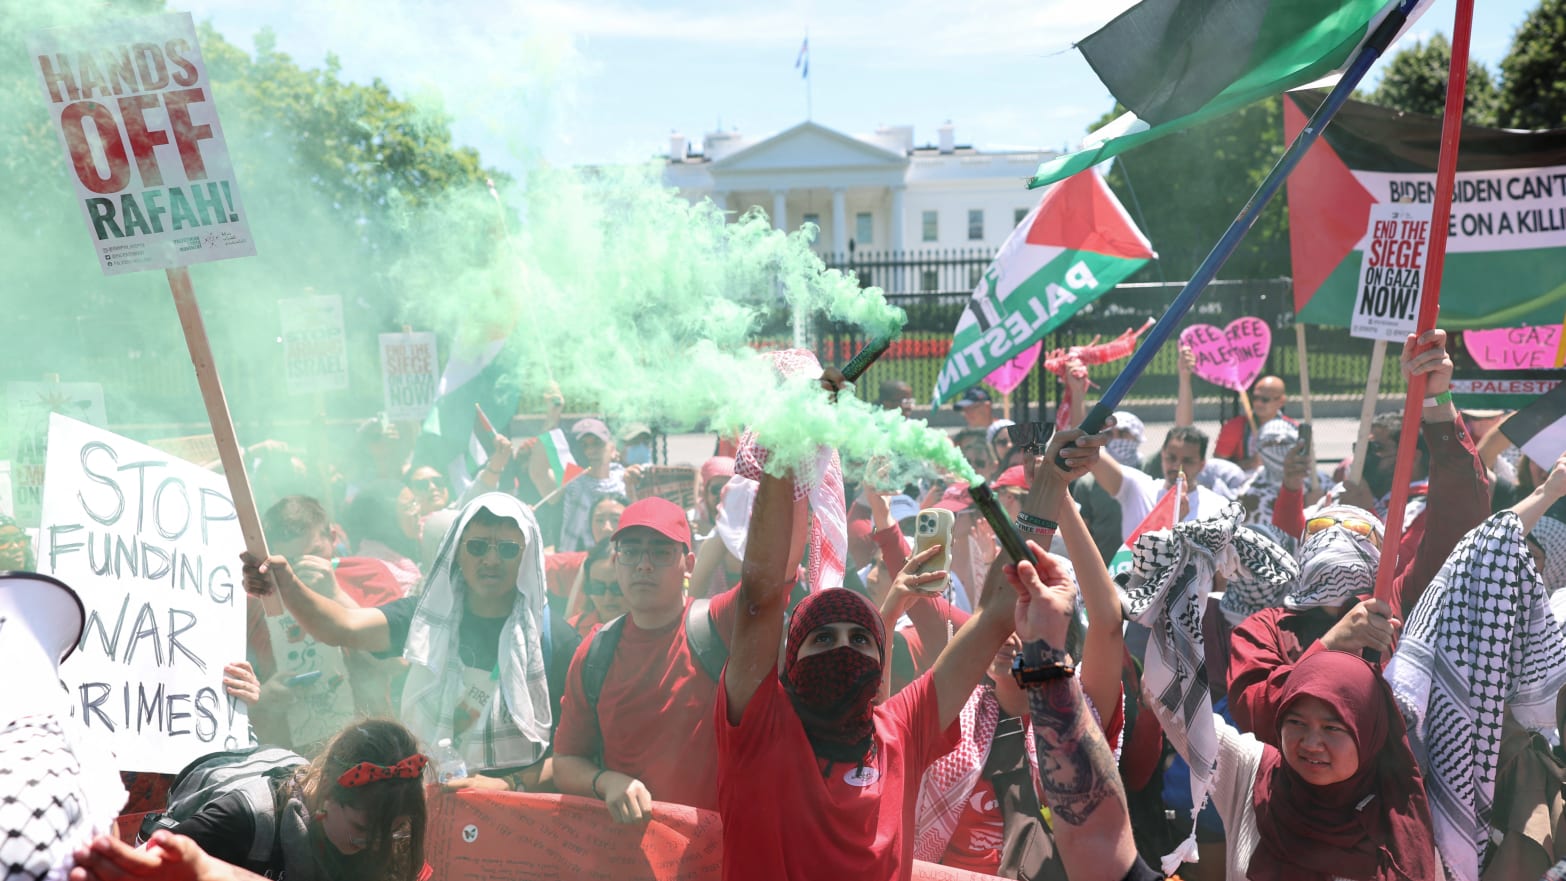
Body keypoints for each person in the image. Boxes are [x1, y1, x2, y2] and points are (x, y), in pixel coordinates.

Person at [714, 399, 1109, 881]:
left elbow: (993, 614)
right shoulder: (756, 728)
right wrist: (785, 449)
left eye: (861, 639)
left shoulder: (898, 733)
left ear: (881, 662)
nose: (843, 647)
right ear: (789, 662)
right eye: (822, 638)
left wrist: (1049, 484)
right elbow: (758, 598)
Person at [1227, 330, 1493, 740]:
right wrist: (1333, 644)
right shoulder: (1264, 628)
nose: (1337, 533)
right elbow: (1255, 713)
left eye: (1356, 529)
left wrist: (1436, 400)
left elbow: (1459, 511)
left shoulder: (1401, 603)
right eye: (1321, 527)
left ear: (1379, 553)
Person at [242, 494, 580, 792]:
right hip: (427, 805)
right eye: (477, 546)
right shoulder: (425, 619)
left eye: (507, 549)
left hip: (514, 825)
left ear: (527, 557)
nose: (490, 560)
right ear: (457, 552)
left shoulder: (554, 641)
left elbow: (578, 757)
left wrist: (508, 784)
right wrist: (285, 583)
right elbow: (341, 627)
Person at [1162, 649, 1438, 879]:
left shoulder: (1401, 830)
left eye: (1332, 728)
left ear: (1369, 733)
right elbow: (1173, 704)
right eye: (1296, 723)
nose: (1310, 743)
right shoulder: (1252, 773)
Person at [552, 497, 739, 817]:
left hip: (717, 855)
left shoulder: (720, 624)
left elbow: (771, 580)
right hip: (629, 856)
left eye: (661, 551)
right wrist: (607, 782)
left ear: (689, 564)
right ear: (616, 562)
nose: (643, 564)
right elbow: (566, 762)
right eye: (631, 551)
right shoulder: (594, 651)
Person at [163, 719, 429, 881]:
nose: (373, 846)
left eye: (394, 832)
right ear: (327, 787)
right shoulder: (243, 819)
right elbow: (143, 866)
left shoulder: (375, 839)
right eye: (361, 829)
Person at [1089, 425, 1230, 542]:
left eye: (1187, 461)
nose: (1177, 467)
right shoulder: (1137, 487)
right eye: (1171, 458)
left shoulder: (1218, 507)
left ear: (1201, 465)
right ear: (1163, 455)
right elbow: (1089, 449)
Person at [557, 418, 630, 552]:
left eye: (597, 443)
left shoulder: (625, 477)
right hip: (585, 561)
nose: (591, 451)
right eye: (584, 446)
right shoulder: (573, 483)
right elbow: (539, 472)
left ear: (612, 449)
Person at [564, 538, 626, 637]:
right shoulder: (573, 630)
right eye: (598, 588)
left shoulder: (652, 632)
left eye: (617, 588)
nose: (608, 597)